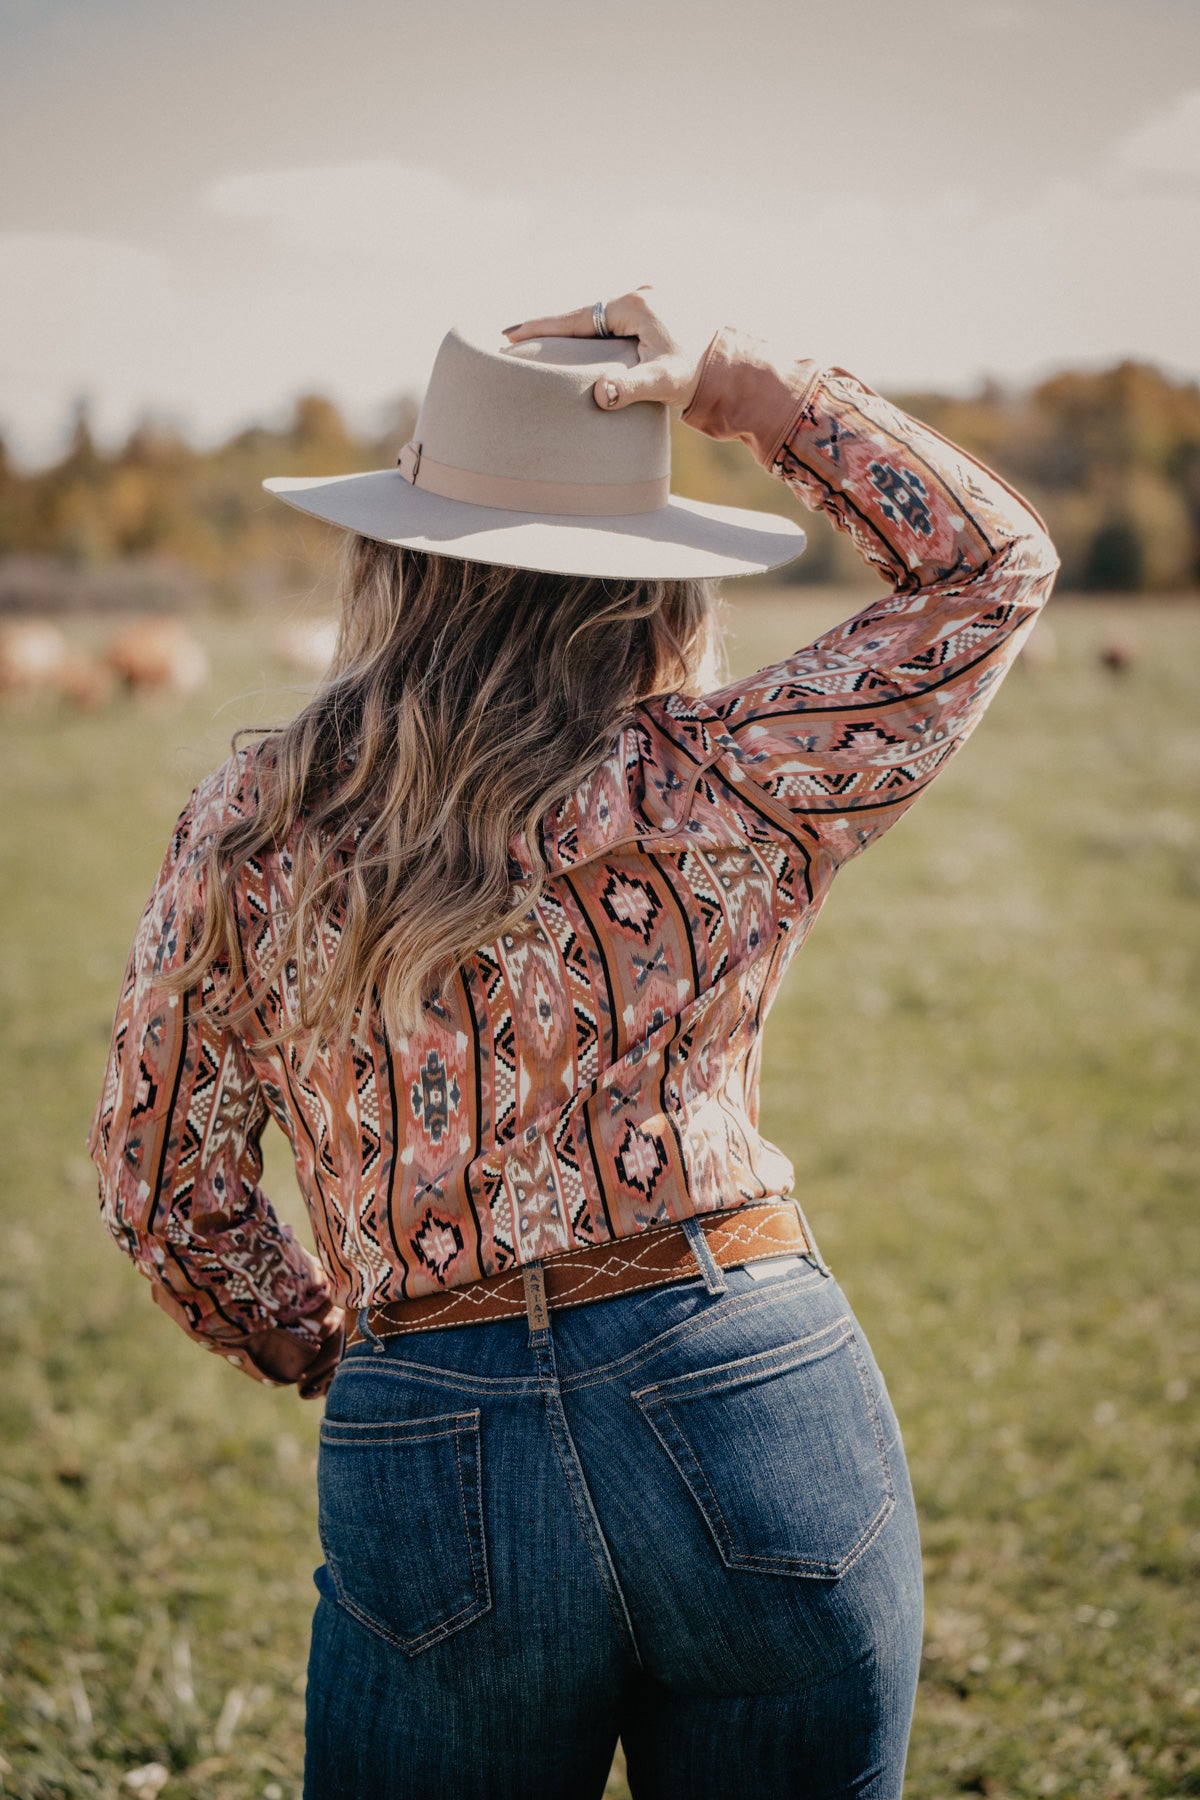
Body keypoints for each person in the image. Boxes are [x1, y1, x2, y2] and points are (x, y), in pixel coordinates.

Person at [88, 288, 1059, 1799]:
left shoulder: (256, 826)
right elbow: (993, 567)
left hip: (431, 1416)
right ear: (649, 581)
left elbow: (161, 1186)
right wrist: (749, 388)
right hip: (750, 1378)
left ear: (396, 558)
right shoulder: (731, 779)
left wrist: (326, 1343)